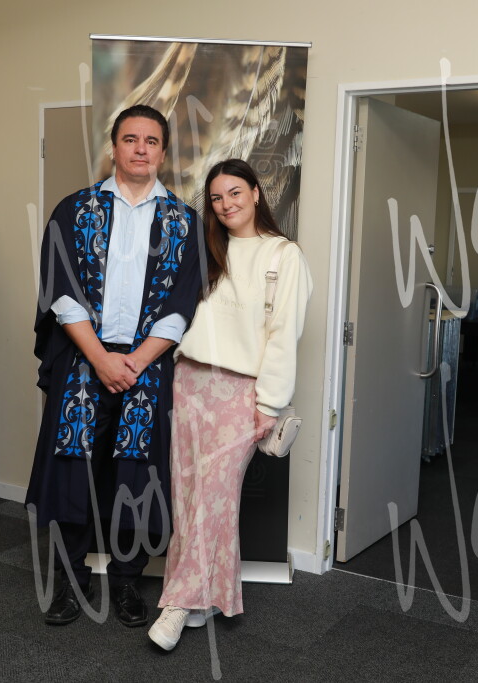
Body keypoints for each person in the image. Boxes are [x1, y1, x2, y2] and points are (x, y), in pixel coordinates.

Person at [27, 105, 204, 628]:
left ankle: (128, 580)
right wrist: (101, 359)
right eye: (131, 139)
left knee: (138, 473)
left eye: (151, 141)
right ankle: (70, 580)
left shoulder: (183, 221)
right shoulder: (75, 210)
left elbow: (182, 304)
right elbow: (60, 292)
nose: (141, 149)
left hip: (148, 364)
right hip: (85, 357)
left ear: (163, 152)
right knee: (73, 469)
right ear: (114, 147)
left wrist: (136, 361)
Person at [148, 158, 312, 651]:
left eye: (235, 193)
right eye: (217, 198)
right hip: (189, 381)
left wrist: (269, 403)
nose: (226, 205)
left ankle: (177, 604)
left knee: (214, 497)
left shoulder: (284, 255)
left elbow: (284, 334)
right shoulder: (205, 250)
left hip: (241, 391)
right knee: (188, 495)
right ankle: (202, 599)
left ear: (256, 193)